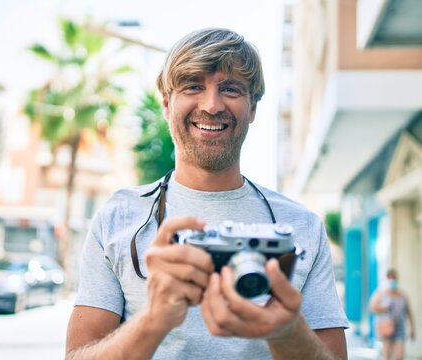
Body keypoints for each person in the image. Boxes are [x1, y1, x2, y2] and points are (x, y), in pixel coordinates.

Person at [66, 28, 348, 359]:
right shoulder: (119, 217)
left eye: (230, 89)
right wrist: (154, 320)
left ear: (253, 108)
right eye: (193, 86)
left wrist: (287, 331)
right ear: (167, 105)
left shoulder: (301, 227)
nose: (212, 106)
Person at [370, 269, 416, 360]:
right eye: (390, 278)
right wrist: (383, 307)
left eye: (394, 278)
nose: (392, 281)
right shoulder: (381, 293)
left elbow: (409, 313)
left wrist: (412, 328)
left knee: (400, 355)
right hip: (386, 327)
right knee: (387, 355)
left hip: (399, 328)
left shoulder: (403, 295)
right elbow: (372, 307)